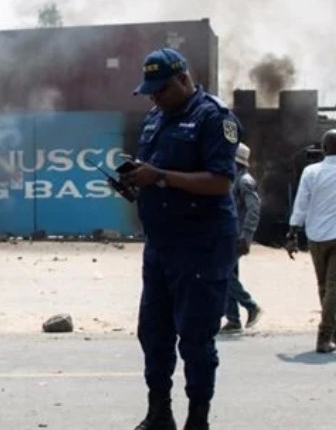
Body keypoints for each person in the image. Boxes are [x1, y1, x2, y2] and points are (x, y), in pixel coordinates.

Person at [122, 48, 240, 430]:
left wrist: (159, 176)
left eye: (161, 90)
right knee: (153, 333)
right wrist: (136, 182)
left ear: (184, 80)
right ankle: (159, 414)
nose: (155, 97)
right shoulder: (157, 118)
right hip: (160, 245)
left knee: (194, 338)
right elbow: (154, 174)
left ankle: (197, 420)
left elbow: (221, 181)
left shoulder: (213, 117)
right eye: (150, 91)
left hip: (201, 246)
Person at [287, 128, 336, 353]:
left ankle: (328, 334)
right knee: (335, 287)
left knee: (324, 286)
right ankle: (330, 334)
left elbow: (301, 203)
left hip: (316, 236)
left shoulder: (311, 171)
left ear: (323, 148)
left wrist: (292, 232)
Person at [219, 143, 263, 334]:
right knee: (229, 275)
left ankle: (251, 305)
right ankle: (233, 320)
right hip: (228, 234)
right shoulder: (233, 179)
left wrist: (247, 235)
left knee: (224, 274)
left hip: (237, 236)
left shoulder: (244, 181)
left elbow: (254, 209)